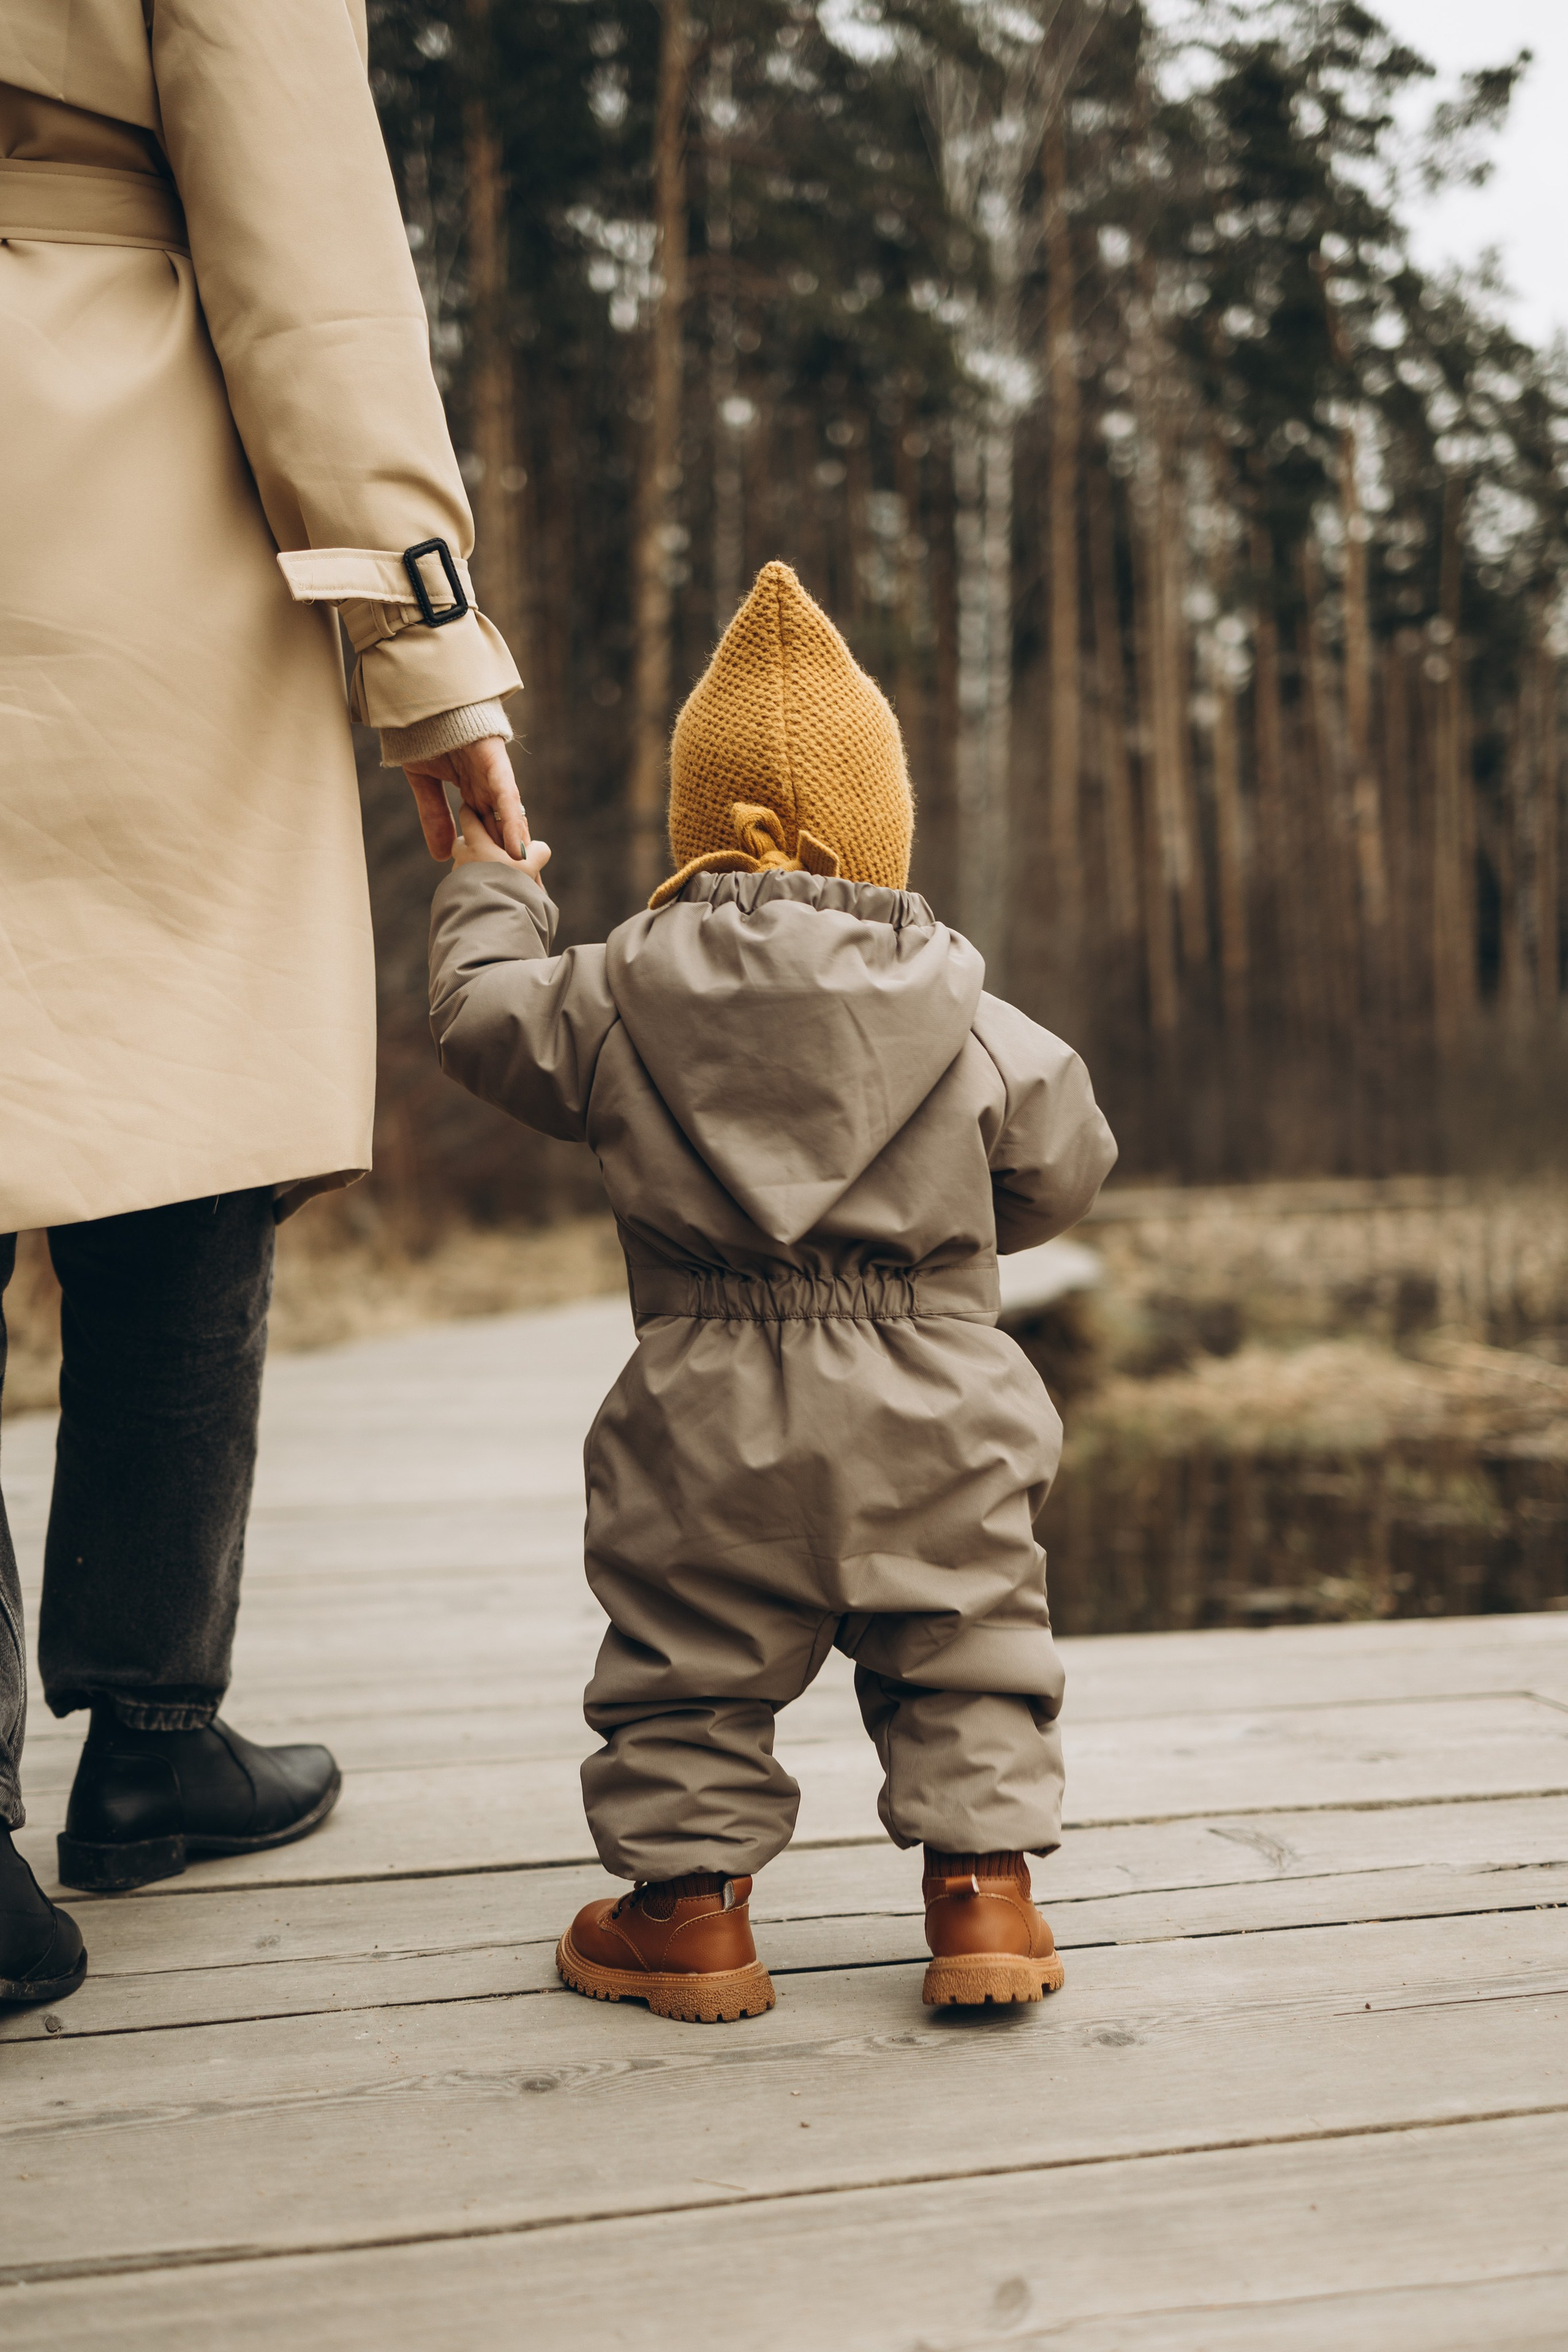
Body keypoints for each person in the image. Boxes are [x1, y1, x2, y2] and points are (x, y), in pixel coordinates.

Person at [0, 0, 529, 2003]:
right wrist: (430, 657)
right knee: (179, 1093)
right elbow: (304, 259)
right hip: (126, 462)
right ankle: (150, 1745)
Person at [426, 560, 1116, 2023]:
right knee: (966, 1643)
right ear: (883, 829)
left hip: (702, 1401)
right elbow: (1062, 1176)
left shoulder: (609, 997)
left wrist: (491, 884)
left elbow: (477, 1019)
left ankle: (684, 1918)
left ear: (697, 826)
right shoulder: (978, 1022)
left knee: (688, 1662)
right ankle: (983, 1897)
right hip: (938, 1391)